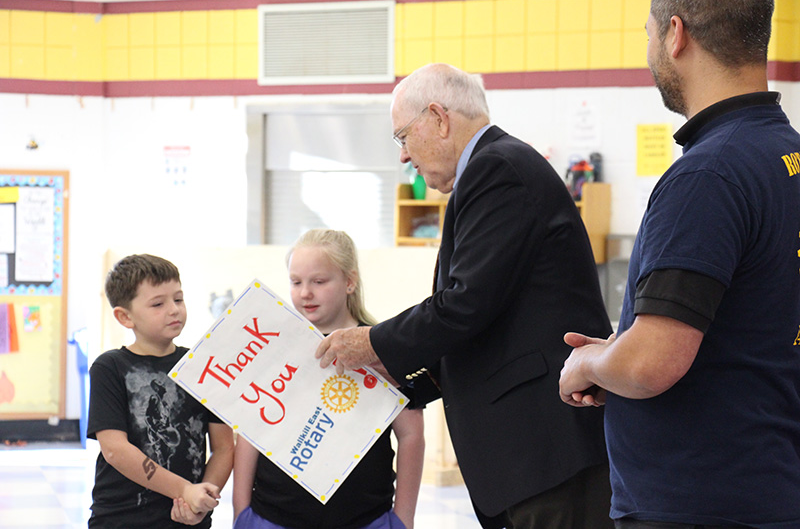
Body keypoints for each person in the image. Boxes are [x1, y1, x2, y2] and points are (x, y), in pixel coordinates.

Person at [316, 64, 613, 528]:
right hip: (530, 457)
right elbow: (487, 320)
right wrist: (402, 380)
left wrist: (371, 342)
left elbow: (465, 305)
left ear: (438, 117)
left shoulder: (497, 169)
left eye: (402, 137)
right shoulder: (496, 168)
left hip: (543, 451)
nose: (402, 157)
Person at [559, 0, 800, 527]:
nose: (649, 51)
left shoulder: (707, 176)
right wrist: (623, 351)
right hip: (767, 487)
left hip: (699, 501)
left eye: (647, 34)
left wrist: (591, 363)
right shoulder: (786, 154)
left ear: (675, 34)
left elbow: (653, 363)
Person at [232, 229, 425, 529]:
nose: (305, 292)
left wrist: (403, 519)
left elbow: (411, 436)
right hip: (273, 516)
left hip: (366, 517)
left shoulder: (384, 347)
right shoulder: (272, 346)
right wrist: (241, 512)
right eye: (296, 282)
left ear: (349, 282)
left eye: (319, 282)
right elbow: (249, 433)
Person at [88, 254, 234, 528]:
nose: (174, 310)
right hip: (121, 519)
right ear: (125, 316)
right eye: (158, 303)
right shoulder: (110, 367)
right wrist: (184, 490)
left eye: (178, 299)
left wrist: (202, 498)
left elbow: (225, 447)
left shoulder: (202, 365)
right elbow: (115, 450)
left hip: (188, 518)